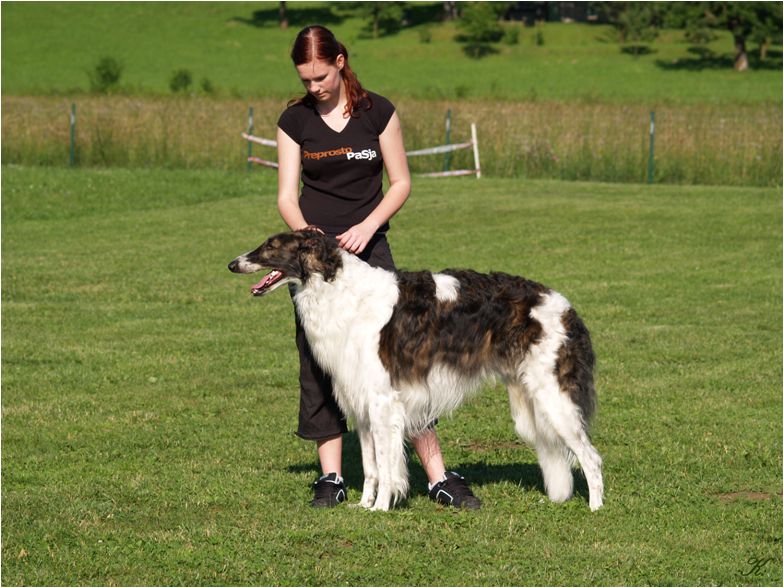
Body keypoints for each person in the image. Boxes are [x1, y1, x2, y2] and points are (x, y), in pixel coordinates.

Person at [275, 25, 480, 510]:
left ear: (341, 62)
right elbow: (286, 195)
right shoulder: (293, 122)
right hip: (317, 261)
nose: (313, 87)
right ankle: (332, 478)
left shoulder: (378, 112)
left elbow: (401, 182)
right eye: (305, 80)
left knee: (401, 366)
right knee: (319, 362)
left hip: (371, 256)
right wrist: (311, 242)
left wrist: (367, 227)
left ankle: (436, 475)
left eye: (320, 76)